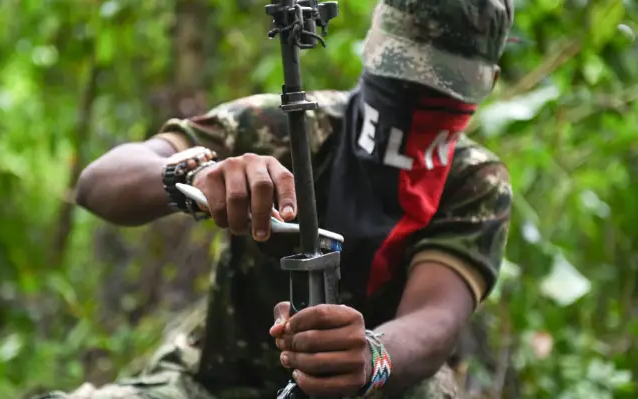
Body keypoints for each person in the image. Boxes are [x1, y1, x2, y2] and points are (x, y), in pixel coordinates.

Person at [37, 0, 514, 398]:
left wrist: (370, 356)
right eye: (403, 71)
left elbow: (434, 319)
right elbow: (100, 182)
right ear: (371, 49)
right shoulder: (280, 127)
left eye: (441, 85)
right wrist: (195, 176)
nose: (414, 97)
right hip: (213, 384)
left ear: (487, 83)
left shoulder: (474, 181)